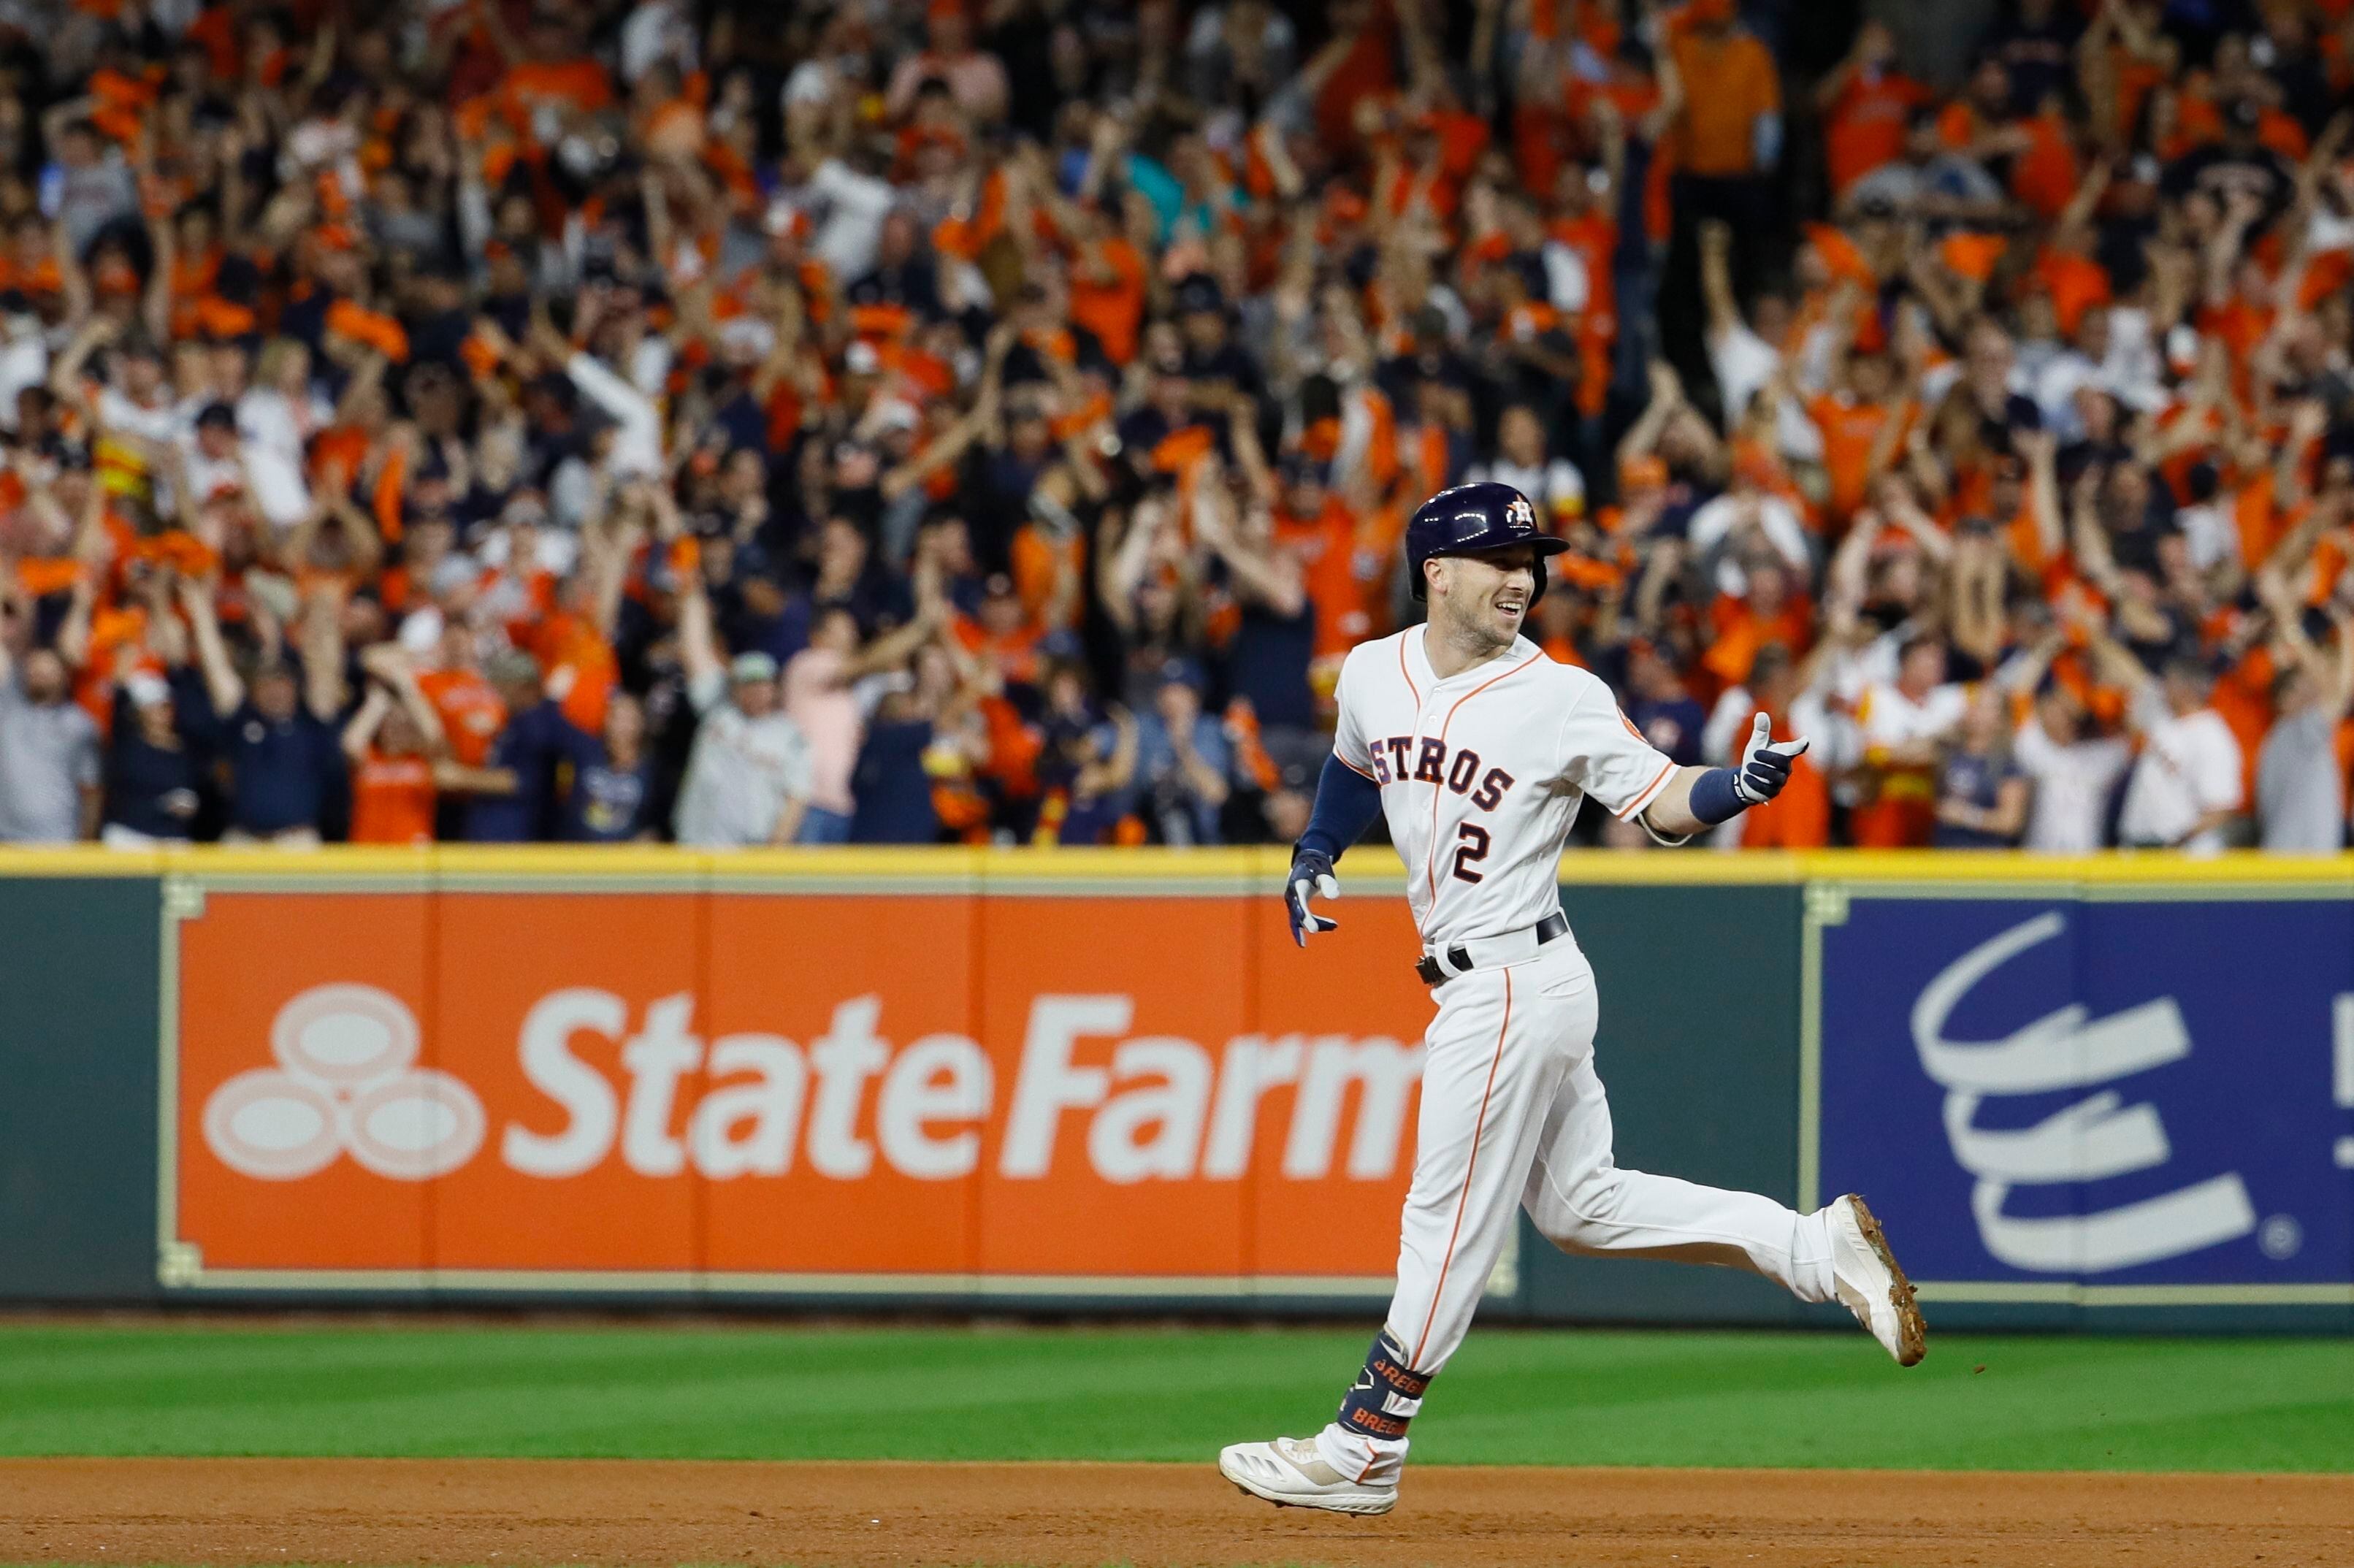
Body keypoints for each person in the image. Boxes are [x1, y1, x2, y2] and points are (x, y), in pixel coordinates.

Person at [1218, 483, 1923, 1518]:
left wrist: (1736, 784)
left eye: (1529, 559)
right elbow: (1352, 765)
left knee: (1441, 1222)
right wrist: (1315, 850)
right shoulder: (1372, 670)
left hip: (1509, 978)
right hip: (1501, 980)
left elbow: (1660, 799)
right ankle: (1810, 1247)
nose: (1521, 577)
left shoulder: (1560, 694)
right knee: (1580, 1206)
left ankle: (1365, 1441)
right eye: (1499, 558)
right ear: (1436, 572)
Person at [673, 573, 815, 848]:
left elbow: (796, 798)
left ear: (774, 688)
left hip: (749, 854)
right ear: (735, 688)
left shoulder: (790, 736)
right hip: (695, 845)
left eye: (762, 684)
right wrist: (691, 594)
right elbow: (694, 649)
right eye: (747, 684)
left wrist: (774, 850)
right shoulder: (719, 708)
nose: (756, 691)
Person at [0, 613, 101, 843]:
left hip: (57, 840)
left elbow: (92, 789)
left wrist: (88, 841)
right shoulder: (8, 710)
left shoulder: (80, 724)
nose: (40, 676)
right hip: (6, 840)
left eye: (47, 672)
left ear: (64, 677)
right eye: (35, 671)